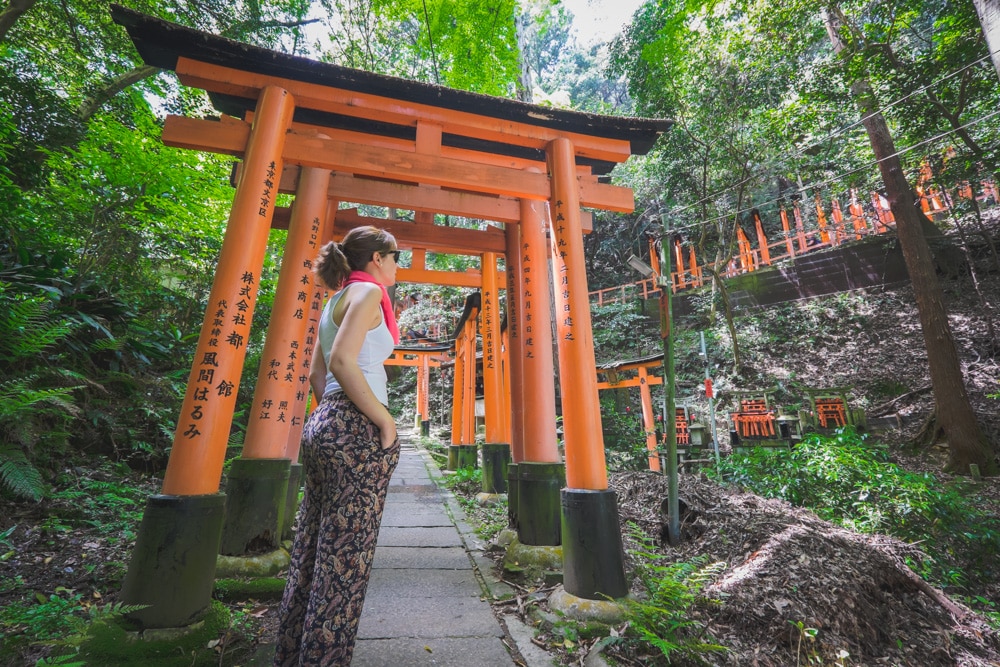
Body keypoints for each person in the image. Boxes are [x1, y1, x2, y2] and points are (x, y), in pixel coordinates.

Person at [274, 225, 401, 667]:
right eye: (396, 255)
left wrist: (330, 417)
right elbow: (344, 361)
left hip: (325, 422)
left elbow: (316, 372)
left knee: (313, 547)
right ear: (377, 259)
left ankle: (293, 653)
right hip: (354, 428)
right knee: (346, 559)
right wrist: (384, 421)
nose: (397, 264)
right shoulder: (366, 295)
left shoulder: (335, 301)